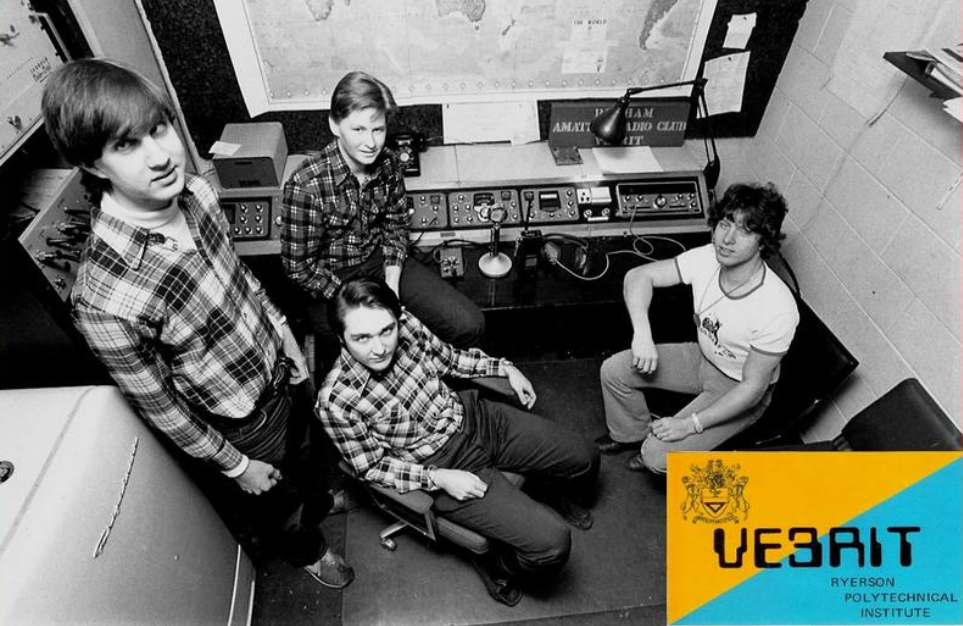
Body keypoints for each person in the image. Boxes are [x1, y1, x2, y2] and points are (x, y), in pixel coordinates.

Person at [41, 58, 353, 588]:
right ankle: (309, 548)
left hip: (282, 372)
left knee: (309, 457)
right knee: (279, 503)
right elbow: (161, 407)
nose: (159, 155)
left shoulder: (200, 192)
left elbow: (240, 279)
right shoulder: (103, 299)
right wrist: (235, 466)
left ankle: (322, 497)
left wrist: (284, 336)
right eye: (126, 145)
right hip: (242, 425)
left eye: (158, 128)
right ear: (93, 165)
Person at [317, 277, 599, 606]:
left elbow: (450, 359)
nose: (379, 347)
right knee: (553, 543)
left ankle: (551, 494)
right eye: (361, 338)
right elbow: (370, 467)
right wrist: (436, 478)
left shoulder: (405, 323)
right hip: (442, 465)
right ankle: (500, 565)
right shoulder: (336, 401)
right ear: (341, 338)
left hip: (474, 418)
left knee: (586, 456)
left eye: (386, 331)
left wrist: (504, 368)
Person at [281, 71, 485, 362]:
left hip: (381, 263)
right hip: (331, 281)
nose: (371, 143)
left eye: (378, 130)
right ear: (334, 125)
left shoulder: (388, 162)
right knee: (357, 363)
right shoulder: (305, 185)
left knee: (468, 324)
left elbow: (396, 225)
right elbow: (298, 268)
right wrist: (357, 301)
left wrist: (391, 283)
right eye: (358, 130)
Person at [598, 182, 800, 473]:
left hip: (737, 387)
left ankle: (651, 449)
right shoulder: (707, 257)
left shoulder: (777, 308)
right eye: (725, 223)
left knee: (657, 456)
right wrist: (642, 333)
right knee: (614, 371)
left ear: (763, 241)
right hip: (702, 358)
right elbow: (638, 276)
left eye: (745, 230)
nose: (727, 239)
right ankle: (630, 434)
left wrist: (689, 425)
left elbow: (753, 389)